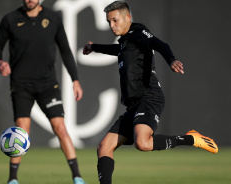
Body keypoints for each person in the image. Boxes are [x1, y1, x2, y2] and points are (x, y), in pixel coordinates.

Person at [82, 1, 218, 183]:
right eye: (109, 22)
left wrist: (171, 60)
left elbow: (159, 43)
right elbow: (118, 50)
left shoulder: (137, 31)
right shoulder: (125, 42)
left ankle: (191, 139)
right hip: (133, 105)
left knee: (143, 143)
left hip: (149, 97)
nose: (111, 25)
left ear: (128, 18)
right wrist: (94, 47)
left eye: (115, 20)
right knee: (104, 147)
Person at [0, 0, 85, 184]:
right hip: (21, 85)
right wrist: (0, 62)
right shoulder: (10, 19)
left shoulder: (53, 18)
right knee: (21, 130)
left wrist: (75, 79)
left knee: (60, 128)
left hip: (47, 85)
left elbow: (65, 50)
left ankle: (77, 177)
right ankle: (12, 180)